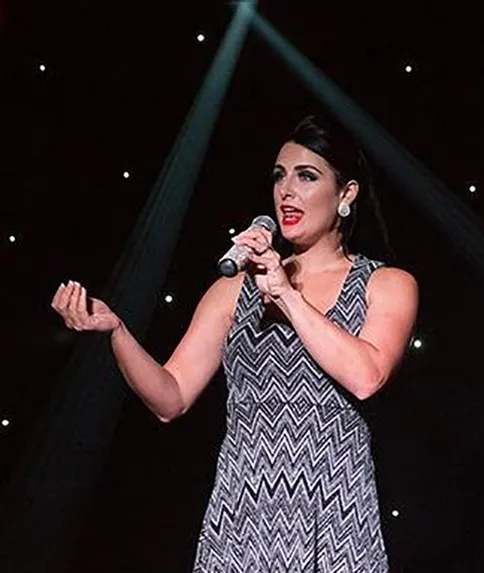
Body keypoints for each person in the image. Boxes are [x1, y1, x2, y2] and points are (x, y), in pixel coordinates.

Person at [50, 115, 418, 572]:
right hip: (242, 518)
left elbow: (366, 376)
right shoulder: (232, 290)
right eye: (279, 177)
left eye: (307, 176)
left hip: (334, 516)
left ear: (346, 195)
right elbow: (171, 396)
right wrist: (116, 332)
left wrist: (287, 294)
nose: (287, 191)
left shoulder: (386, 283)